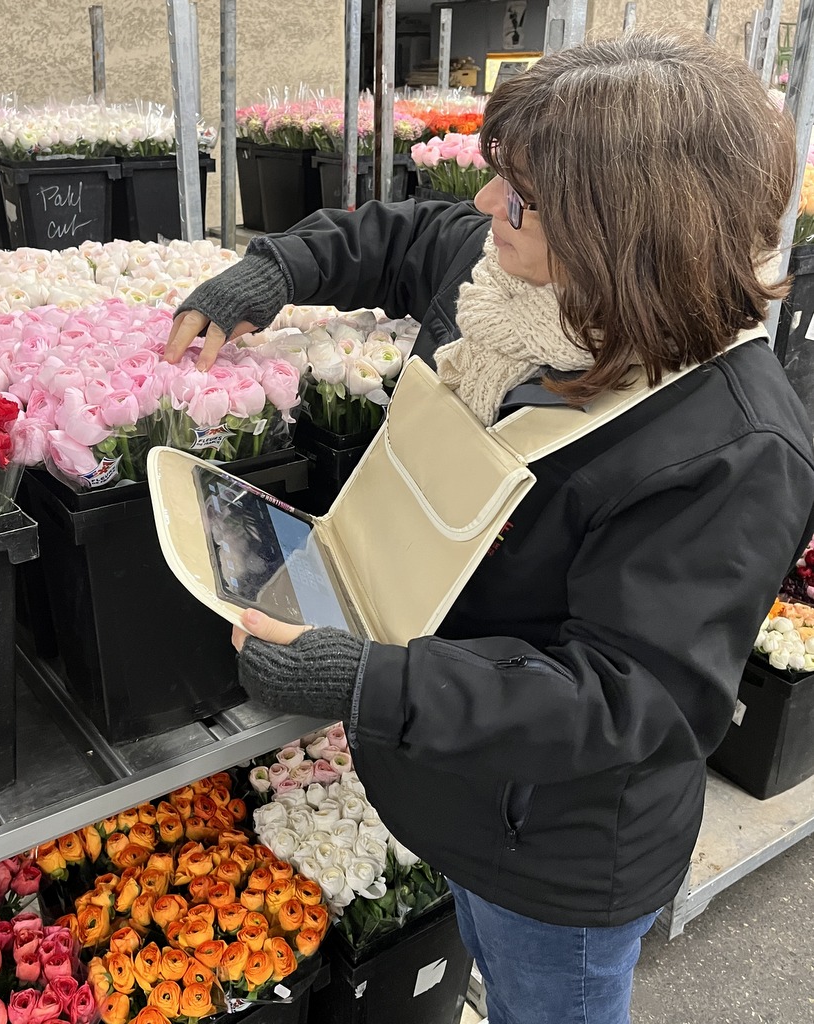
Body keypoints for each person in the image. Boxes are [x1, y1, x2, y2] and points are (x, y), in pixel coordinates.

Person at [166, 34, 814, 1024]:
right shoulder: (511, 284)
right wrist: (270, 272)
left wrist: (365, 678)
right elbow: (401, 232)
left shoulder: (728, 447)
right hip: (462, 790)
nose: (482, 209)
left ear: (625, 231)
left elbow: (625, 700)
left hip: (553, 852)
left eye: (515, 196)